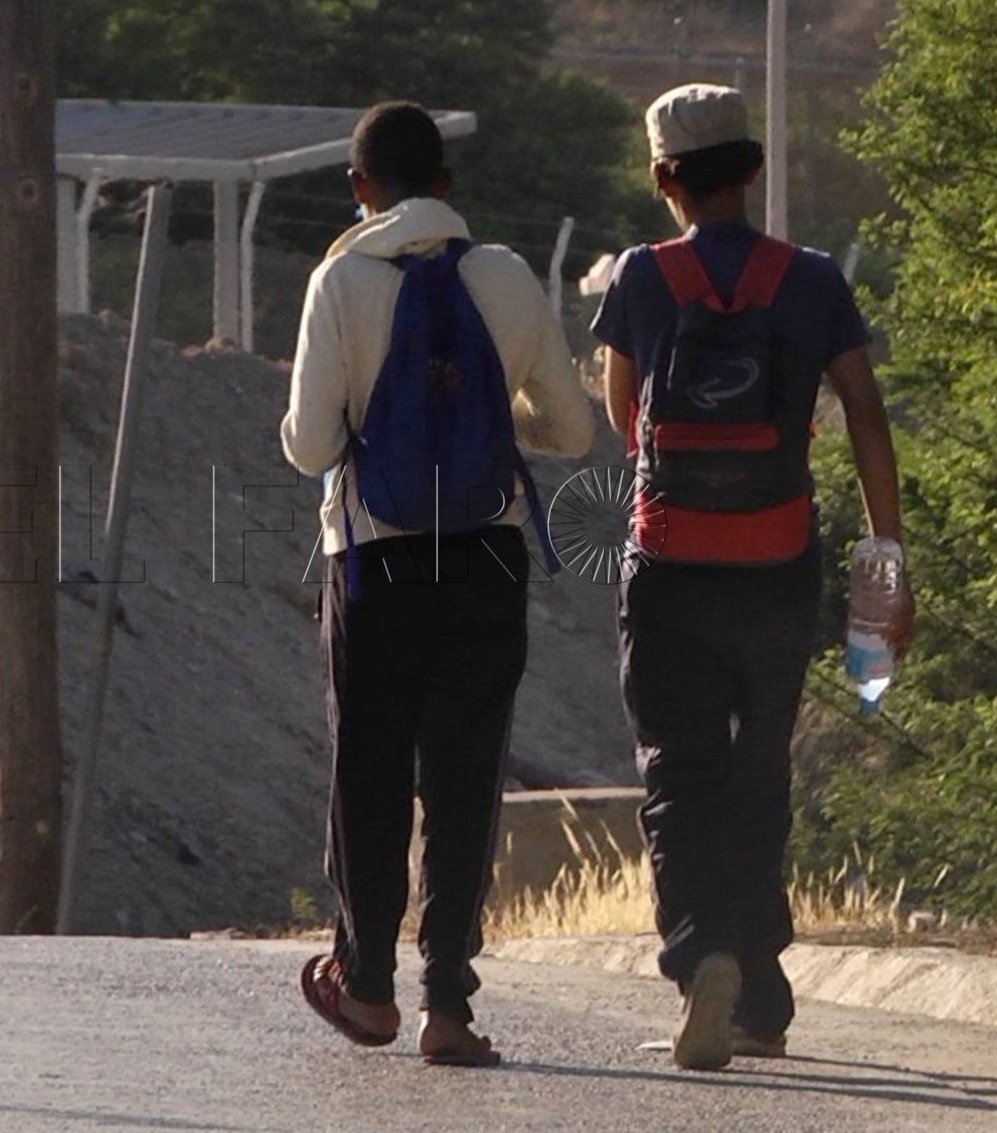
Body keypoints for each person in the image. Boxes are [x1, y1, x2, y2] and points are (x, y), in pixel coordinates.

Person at [590, 83, 912, 1070]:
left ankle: (703, 960)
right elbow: (862, 409)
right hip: (777, 561)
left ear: (662, 178)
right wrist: (884, 546)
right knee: (758, 765)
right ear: (752, 169)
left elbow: (623, 418)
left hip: (670, 563)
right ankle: (761, 994)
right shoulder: (810, 280)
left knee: (675, 774)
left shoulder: (641, 280)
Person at [282, 101, 594, 1068]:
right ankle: (448, 1005)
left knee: (367, 773)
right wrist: (497, 432)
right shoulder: (503, 275)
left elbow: (310, 446)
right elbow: (573, 432)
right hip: (485, 555)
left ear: (358, 187)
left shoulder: (339, 279)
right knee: (463, 781)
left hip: (374, 556)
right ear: (448, 188)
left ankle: (366, 986)